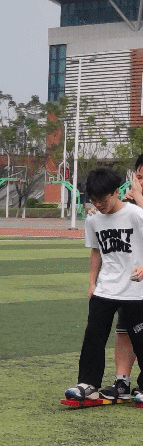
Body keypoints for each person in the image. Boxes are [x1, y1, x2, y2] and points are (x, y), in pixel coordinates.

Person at [64, 166, 143, 404]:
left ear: (116, 192)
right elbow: (96, 252)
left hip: (136, 288)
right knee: (93, 336)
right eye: (94, 200)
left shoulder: (135, 214)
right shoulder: (93, 219)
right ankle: (88, 385)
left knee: (140, 340)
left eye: (103, 200)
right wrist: (92, 283)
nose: (99, 205)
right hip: (106, 287)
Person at [98, 155, 143, 401]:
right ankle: (122, 382)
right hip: (133, 280)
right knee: (125, 328)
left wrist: (138, 199)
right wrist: (102, 208)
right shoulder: (129, 202)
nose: (141, 182)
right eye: (139, 177)